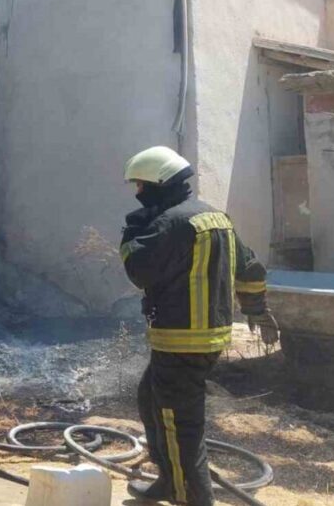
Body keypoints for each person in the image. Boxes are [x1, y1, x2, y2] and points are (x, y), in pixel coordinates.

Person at [120, 146, 279, 505]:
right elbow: (251, 269)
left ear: (160, 183)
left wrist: (131, 236)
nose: (138, 193)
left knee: (180, 426)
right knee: (151, 399)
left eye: (142, 186)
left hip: (180, 339)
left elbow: (138, 272)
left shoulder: (169, 224)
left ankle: (191, 497)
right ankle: (168, 479)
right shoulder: (215, 217)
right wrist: (256, 310)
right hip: (205, 338)